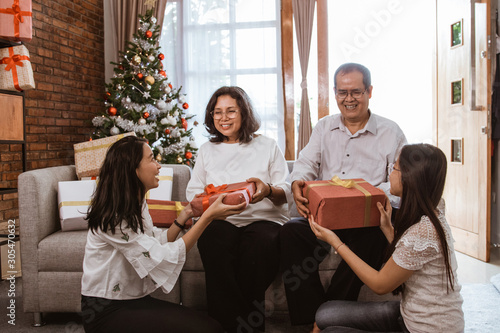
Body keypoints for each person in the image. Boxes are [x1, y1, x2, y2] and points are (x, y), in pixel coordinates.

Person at [280, 63, 407, 326]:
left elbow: (400, 184)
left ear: (369, 91)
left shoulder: (390, 131)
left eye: (356, 92)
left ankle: (329, 316)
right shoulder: (325, 127)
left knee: (373, 238)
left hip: (367, 221)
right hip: (325, 217)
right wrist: (298, 182)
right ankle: (310, 318)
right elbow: (305, 164)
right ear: (335, 93)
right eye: (342, 92)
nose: (349, 99)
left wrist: (362, 198)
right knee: (290, 232)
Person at [81, 135, 247, 333]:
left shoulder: (136, 202)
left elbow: (152, 244)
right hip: (106, 310)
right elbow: (160, 257)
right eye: (152, 159)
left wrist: (185, 215)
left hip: (134, 300)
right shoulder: (113, 218)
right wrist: (207, 218)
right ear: (133, 169)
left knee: (211, 327)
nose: (159, 165)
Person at [310, 144, 465, 332]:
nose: (390, 173)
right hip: (408, 315)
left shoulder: (424, 231)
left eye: (395, 168)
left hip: (425, 328)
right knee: (326, 314)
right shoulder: (432, 210)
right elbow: (408, 257)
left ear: (410, 177)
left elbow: (380, 284)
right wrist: (387, 229)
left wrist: (336, 242)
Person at [186, 86, 292, 332]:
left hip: (264, 219)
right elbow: (192, 193)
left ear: (244, 112)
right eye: (217, 112)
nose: (224, 118)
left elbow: (285, 190)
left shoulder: (267, 145)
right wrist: (214, 202)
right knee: (212, 240)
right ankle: (245, 325)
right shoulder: (207, 150)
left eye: (231, 111)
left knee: (259, 246)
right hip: (222, 219)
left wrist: (266, 190)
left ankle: (226, 326)